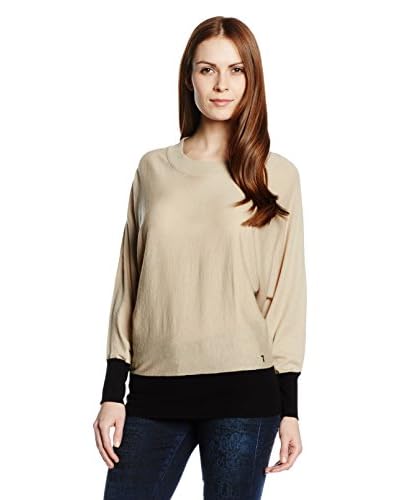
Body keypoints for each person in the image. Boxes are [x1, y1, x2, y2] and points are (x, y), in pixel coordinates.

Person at [93, 15, 307, 500]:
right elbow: (129, 285)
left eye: (235, 70)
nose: (221, 84)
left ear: (252, 78)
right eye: (207, 69)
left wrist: (290, 407)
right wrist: (112, 392)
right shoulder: (153, 169)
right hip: (153, 389)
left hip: (244, 393)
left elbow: (286, 295)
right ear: (188, 77)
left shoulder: (277, 175)